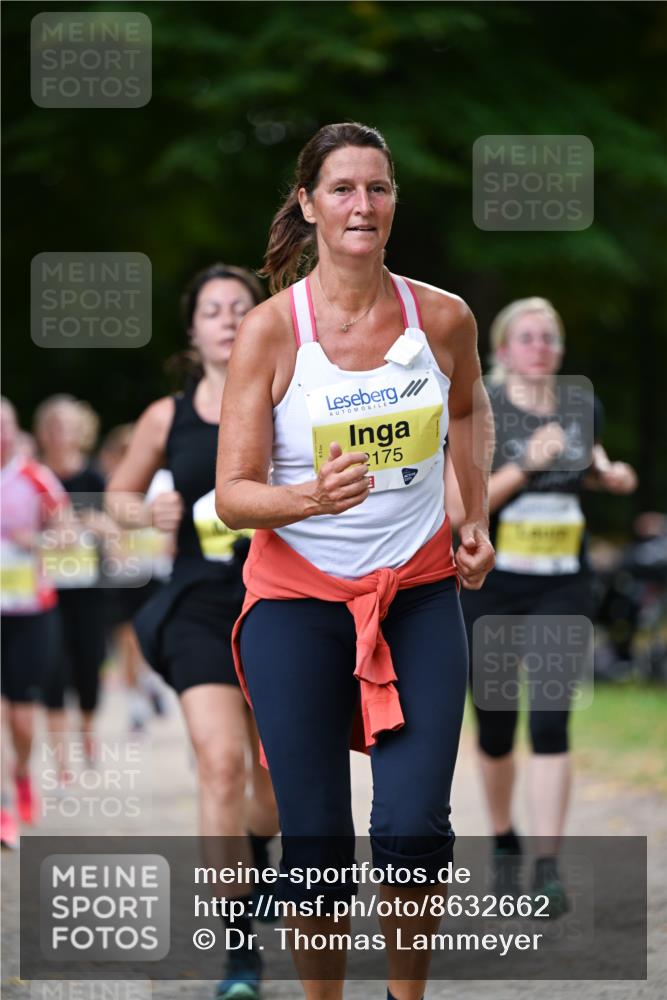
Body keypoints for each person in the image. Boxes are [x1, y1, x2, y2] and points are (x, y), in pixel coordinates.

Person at [216, 122, 495, 1000]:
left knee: (413, 826)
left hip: (414, 597)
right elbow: (232, 495)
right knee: (318, 843)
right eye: (341, 188)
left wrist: (473, 513)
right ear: (307, 203)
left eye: (376, 188)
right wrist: (309, 499)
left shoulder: (441, 316)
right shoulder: (269, 333)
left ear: (392, 202)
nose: (361, 205)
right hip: (296, 606)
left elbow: (473, 410)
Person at [106, 263, 279, 1000]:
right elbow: (117, 495)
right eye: (213, 309)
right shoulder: (162, 417)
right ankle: (239, 950)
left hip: (279, 601)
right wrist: (146, 512)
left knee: (270, 783)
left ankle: (258, 851)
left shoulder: (286, 399)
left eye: (241, 305)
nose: (228, 317)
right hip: (199, 606)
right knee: (219, 764)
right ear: (194, 330)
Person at [445, 296, 638, 914]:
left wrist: (609, 476)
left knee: (551, 719)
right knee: (497, 725)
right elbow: (465, 505)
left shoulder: (583, 406)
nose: (540, 347)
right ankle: (504, 838)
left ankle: (549, 866)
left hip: (563, 583)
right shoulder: (485, 411)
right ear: (502, 350)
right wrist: (528, 464)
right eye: (527, 337)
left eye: (549, 337)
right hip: (493, 583)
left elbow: (589, 461)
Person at [0, 397, 70, 847]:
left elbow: (68, 535)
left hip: (30, 611)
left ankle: (23, 774)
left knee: (22, 721)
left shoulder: (35, 478)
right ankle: (4, 807)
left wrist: (37, 540)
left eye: (6, 423)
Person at [34, 395, 109, 762]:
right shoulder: (35, 476)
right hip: (45, 588)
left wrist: (92, 525)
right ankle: (61, 758)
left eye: (67, 427)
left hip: (89, 589)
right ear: (43, 433)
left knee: (88, 662)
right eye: (53, 427)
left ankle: (88, 734)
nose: (60, 435)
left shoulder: (94, 476)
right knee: (52, 667)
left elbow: (116, 528)